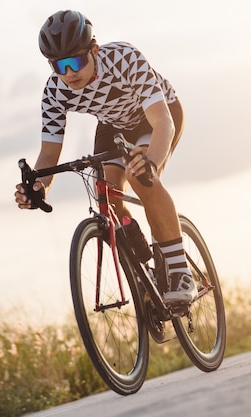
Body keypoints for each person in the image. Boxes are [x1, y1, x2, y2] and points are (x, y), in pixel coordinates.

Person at [14, 10, 196, 304]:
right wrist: (38, 187)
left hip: (157, 115)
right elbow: (49, 154)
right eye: (59, 66)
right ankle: (143, 260)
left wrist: (151, 161)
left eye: (76, 61)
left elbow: (163, 121)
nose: (69, 73)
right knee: (109, 194)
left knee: (140, 177)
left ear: (94, 50)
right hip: (114, 123)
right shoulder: (55, 91)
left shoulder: (124, 58)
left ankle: (179, 271)